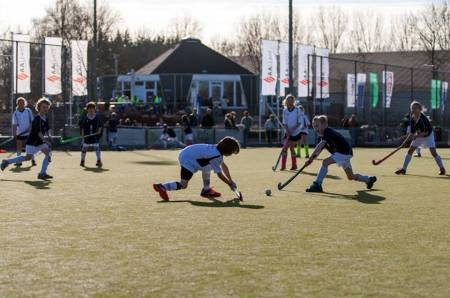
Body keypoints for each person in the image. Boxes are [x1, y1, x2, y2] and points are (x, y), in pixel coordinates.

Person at [303, 115, 377, 193]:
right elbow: (319, 150)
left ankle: (317, 184)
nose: (315, 129)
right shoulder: (324, 136)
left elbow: (320, 146)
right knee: (350, 176)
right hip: (346, 153)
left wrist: (310, 158)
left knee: (325, 162)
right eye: (314, 126)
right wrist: (311, 159)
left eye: (317, 126)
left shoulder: (327, 131)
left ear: (324, 125)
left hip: (343, 152)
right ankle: (369, 180)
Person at [153, 137, 241, 201]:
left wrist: (230, 180)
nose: (231, 154)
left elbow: (223, 166)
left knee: (208, 167)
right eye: (232, 152)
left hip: (186, 153)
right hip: (188, 160)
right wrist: (229, 183)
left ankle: (206, 190)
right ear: (227, 150)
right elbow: (219, 174)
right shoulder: (216, 155)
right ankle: (162, 187)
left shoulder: (216, 150)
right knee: (183, 185)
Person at [1, 97, 53, 180]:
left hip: (40, 142)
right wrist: (47, 141)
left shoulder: (45, 118)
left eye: (47, 107)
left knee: (48, 153)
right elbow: (39, 133)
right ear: (39, 108)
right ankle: (7, 161)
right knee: (27, 158)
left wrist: (50, 137)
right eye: (43, 107)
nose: (45, 109)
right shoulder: (37, 119)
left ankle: (42, 173)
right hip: (33, 142)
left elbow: (47, 129)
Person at [395, 101, 446, 175]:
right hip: (419, 135)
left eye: (415, 108)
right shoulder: (412, 118)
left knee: (433, 152)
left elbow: (426, 132)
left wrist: (416, 136)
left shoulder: (423, 119)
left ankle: (442, 169)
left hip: (428, 136)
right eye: (412, 108)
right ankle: (403, 169)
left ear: (419, 109)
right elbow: (412, 133)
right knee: (410, 150)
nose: (413, 110)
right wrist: (404, 142)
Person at [280, 95, 303, 170]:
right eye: (288, 101)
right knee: (285, 148)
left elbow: (299, 122)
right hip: (287, 132)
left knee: (292, 148)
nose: (290, 102)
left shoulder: (297, 110)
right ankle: (283, 166)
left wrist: (292, 130)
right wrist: (287, 130)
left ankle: (294, 165)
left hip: (295, 132)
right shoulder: (285, 110)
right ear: (286, 101)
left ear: (293, 102)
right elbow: (284, 123)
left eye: (291, 101)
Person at [11, 97, 36, 166]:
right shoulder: (15, 113)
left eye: (22, 102)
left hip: (29, 132)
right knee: (19, 147)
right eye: (19, 102)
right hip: (20, 133)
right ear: (17, 104)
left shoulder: (28, 111)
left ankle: (33, 160)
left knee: (30, 146)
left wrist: (30, 128)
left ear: (24, 103)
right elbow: (14, 125)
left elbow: (32, 121)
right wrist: (14, 134)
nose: (21, 104)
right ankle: (19, 161)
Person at [79, 102, 103, 168]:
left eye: (92, 108)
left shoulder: (97, 117)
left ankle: (99, 160)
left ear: (94, 109)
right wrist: (83, 135)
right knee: (84, 148)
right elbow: (82, 127)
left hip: (95, 136)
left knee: (97, 148)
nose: (91, 110)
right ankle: (82, 161)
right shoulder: (85, 117)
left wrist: (99, 131)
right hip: (87, 136)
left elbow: (100, 125)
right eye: (89, 108)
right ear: (87, 109)